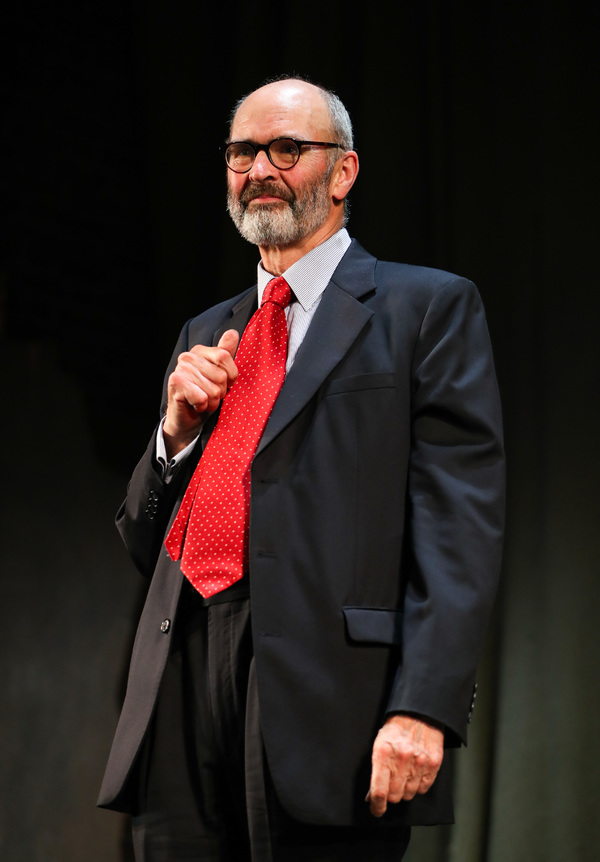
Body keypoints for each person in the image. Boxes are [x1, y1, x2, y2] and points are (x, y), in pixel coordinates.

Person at [98, 76, 505, 861]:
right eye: (242, 151)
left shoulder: (423, 309)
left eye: (287, 148)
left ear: (343, 172)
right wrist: (173, 435)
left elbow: (461, 528)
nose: (260, 168)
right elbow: (149, 548)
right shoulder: (209, 330)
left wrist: (424, 706)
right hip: (182, 675)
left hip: (333, 698)